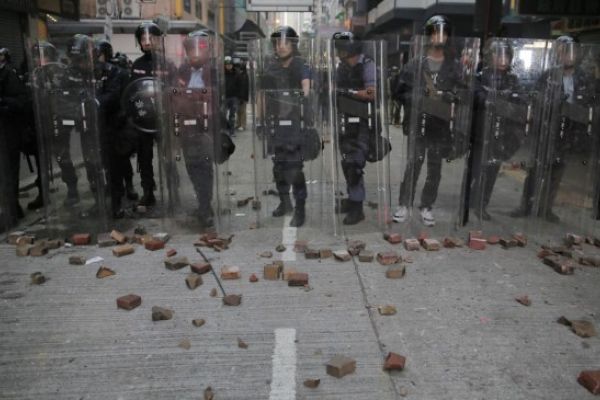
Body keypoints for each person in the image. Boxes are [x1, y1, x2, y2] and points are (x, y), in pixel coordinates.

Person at [511, 35, 597, 223]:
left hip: (570, 130)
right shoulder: (548, 75)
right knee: (536, 168)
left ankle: (546, 208)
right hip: (548, 127)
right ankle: (526, 205)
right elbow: (536, 97)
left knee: (557, 170)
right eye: (563, 53)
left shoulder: (584, 79)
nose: (567, 57)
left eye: (570, 53)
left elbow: (590, 102)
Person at [392, 15, 464, 227]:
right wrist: (417, 98)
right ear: (428, 36)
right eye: (435, 32)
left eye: (443, 33)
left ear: (448, 37)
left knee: (435, 168)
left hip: (440, 125)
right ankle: (404, 204)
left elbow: (464, 92)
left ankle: (426, 206)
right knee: (413, 164)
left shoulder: (454, 67)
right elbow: (399, 92)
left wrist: (452, 96)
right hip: (418, 122)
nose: (439, 37)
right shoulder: (416, 64)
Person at [167, 30, 219, 227]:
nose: (195, 53)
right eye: (191, 49)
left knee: (204, 167)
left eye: (200, 48)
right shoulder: (181, 71)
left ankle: (206, 207)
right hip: (186, 127)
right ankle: (202, 202)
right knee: (192, 167)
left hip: (206, 127)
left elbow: (215, 98)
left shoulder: (213, 72)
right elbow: (173, 95)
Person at [261, 26, 311, 227]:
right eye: (277, 43)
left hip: (295, 124)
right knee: (279, 167)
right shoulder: (271, 66)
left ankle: (300, 209)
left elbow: (306, 88)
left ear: (293, 44)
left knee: (295, 169)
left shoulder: (301, 65)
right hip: (275, 124)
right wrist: (260, 120)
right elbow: (262, 94)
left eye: (285, 42)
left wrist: (301, 100)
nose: (280, 47)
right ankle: (285, 203)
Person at [469, 39, 524, 221]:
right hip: (481, 131)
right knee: (475, 168)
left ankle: (482, 205)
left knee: (492, 170)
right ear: (490, 56)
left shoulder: (512, 79)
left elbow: (518, 102)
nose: (502, 59)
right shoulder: (480, 76)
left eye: (506, 55)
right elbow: (475, 96)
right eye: (498, 55)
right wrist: (489, 100)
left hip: (502, 132)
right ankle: (468, 200)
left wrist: (508, 103)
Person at [332, 31, 376, 225]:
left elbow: (371, 93)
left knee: (355, 165)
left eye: (342, 46)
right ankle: (352, 199)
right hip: (344, 119)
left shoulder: (367, 65)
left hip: (362, 121)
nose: (339, 51)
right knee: (346, 162)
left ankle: (357, 208)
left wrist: (346, 92)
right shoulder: (341, 67)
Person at [30, 41, 80, 207]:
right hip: (40, 121)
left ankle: (72, 188)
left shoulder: (60, 72)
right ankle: (42, 193)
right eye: (37, 56)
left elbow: (69, 96)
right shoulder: (35, 73)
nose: (39, 59)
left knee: (62, 156)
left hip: (58, 120)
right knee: (42, 161)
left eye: (43, 55)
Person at [129, 21, 162, 207]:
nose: (147, 42)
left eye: (151, 38)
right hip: (144, 118)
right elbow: (132, 90)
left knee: (168, 156)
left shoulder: (167, 62)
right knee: (144, 156)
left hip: (163, 118)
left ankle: (172, 187)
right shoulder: (137, 65)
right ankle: (148, 190)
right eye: (143, 38)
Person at [0, 46, 27, 228]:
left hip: (7, 132)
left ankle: (10, 212)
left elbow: (20, 102)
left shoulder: (9, 75)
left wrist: (2, 102)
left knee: (8, 172)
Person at [224, 56, 240, 137]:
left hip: (234, 96)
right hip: (225, 96)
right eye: (227, 65)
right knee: (223, 114)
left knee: (232, 115)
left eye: (230, 64)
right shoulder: (222, 74)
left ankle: (232, 131)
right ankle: (225, 130)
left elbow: (239, 84)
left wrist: (239, 96)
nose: (228, 66)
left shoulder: (236, 73)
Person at [235, 57, 249, 131]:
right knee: (239, 111)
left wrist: (242, 97)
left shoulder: (244, 75)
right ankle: (239, 124)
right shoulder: (242, 75)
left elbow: (244, 87)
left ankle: (242, 125)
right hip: (240, 95)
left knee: (242, 111)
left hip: (242, 96)